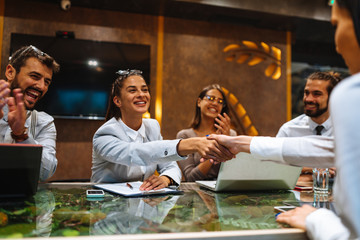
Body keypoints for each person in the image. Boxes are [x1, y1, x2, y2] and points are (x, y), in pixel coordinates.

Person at [206, 0, 360, 238]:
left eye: (337, 24)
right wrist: (241, 143)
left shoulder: (352, 95)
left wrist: (317, 219)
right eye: (306, 92)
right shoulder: (292, 127)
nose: (337, 45)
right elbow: (323, 149)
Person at [91, 70, 233, 191]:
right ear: (118, 101)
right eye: (133, 90)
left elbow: (171, 166)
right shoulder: (104, 134)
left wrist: (166, 179)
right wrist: (188, 144)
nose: (141, 94)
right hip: (107, 208)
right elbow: (134, 153)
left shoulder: (152, 126)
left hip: (142, 207)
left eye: (145, 89)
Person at [0, 45, 60, 181]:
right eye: (34, 76)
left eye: (47, 82)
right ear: (10, 72)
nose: (41, 86)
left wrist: (21, 135)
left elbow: (46, 172)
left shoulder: (44, 122)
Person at [276, 71, 341, 178]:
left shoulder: (348, 129)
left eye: (317, 94)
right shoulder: (289, 130)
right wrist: (310, 169)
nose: (308, 99)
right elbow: (275, 167)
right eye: (306, 93)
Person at [176, 84, 236, 181]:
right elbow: (190, 177)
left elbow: (234, 173)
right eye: (211, 98)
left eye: (220, 101)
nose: (215, 103)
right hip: (195, 192)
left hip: (224, 191)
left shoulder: (231, 134)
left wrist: (227, 141)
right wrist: (216, 147)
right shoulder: (185, 135)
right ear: (199, 102)